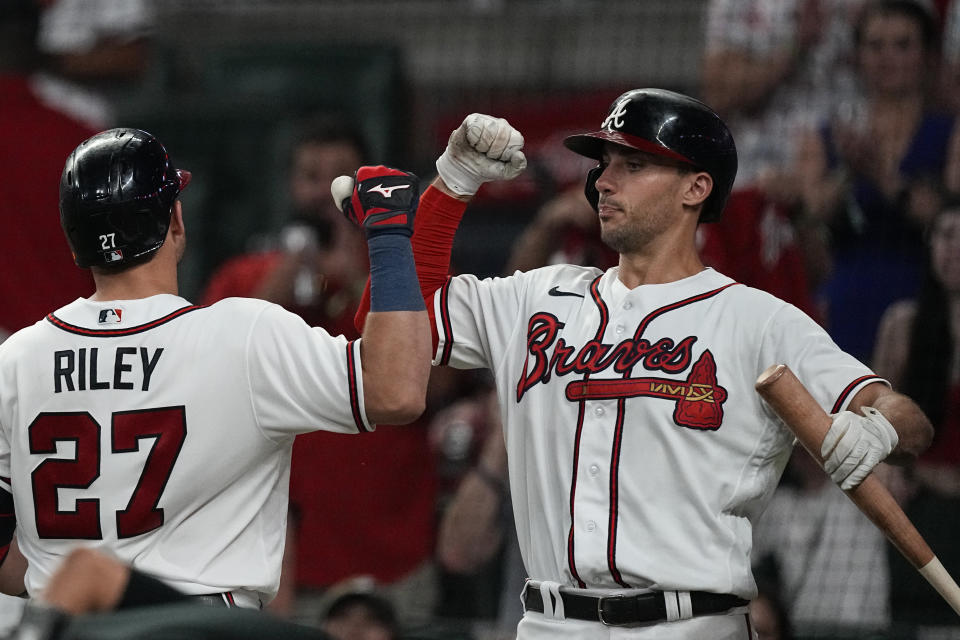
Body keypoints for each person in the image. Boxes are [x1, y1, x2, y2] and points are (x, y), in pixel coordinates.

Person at [344, 91, 935, 638]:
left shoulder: (758, 320)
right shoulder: (534, 298)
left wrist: (879, 426)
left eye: (633, 165)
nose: (604, 180)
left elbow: (907, 418)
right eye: (604, 164)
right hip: (551, 623)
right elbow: (393, 322)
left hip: (692, 625)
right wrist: (451, 184)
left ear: (695, 188)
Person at [0, 129, 431, 610]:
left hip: (62, 622)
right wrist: (390, 237)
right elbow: (397, 392)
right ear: (176, 221)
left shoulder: (15, 359)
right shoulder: (241, 335)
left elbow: (4, 559)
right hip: (198, 623)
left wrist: (63, 586)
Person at [202, 121, 442, 625]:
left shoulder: (407, 276)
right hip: (279, 567)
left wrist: (362, 282)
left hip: (392, 558)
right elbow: (200, 384)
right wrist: (276, 290)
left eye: (341, 177)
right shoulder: (245, 276)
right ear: (290, 186)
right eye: (312, 176)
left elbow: (439, 383)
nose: (324, 193)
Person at [796, 0, 960, 361]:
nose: (887, 57)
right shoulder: (829, 136)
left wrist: (879, 176)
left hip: (922, 299)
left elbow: (945, 218)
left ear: (927, 55)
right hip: (846, 298)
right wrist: (849, 172)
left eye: (902, 45)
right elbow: (814, 216)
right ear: (857, 56)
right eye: (875, 45)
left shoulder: (951, 133)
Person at [873, 198, 960, 627]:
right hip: (918, 510)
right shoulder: (902, 324)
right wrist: (894, 471)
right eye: (946, 235)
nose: (954, 249)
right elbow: (871, 419)